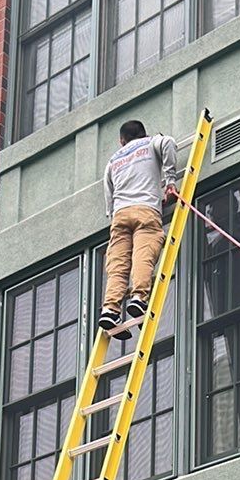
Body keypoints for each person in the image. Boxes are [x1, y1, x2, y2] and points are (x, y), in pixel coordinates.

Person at [99, 119, 179, 334]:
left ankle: (110, 309)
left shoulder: (113, 161)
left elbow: (109, 195)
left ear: (121, 141)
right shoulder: (151, 143)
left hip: (120, 216)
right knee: (143, 255)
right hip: (145, 210)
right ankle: (138, 297)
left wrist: (113, 217)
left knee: (118, 265)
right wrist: (170, 181)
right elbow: (169, 142)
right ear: (143, 134)